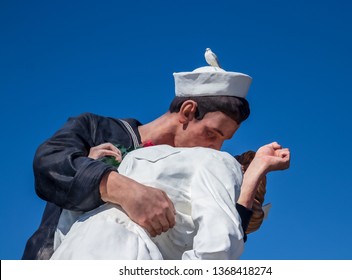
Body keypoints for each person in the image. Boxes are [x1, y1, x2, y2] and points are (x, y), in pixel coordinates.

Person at [22, 52, 260, 259]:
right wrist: (121, 188)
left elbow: (217, 238)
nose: (215, 148)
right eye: (212, 133)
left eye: (223, 141)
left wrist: (254, 178)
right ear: (188, 111)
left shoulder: (195, 167)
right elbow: (49, 163)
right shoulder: (95, 129)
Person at [50, 142, 290, 260]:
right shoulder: (224, 165)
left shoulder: (150, 161)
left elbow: (67, 224)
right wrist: (257, 171)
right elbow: (218, 249)